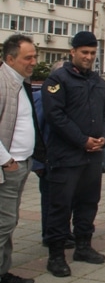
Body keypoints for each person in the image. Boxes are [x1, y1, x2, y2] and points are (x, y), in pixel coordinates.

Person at [41, 31, 105, 277]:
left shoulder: (98, 82)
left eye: (92, 53)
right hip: (66, 157)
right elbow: (55, 117)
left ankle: (83, 246)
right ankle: (56, 256)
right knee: (60, 207)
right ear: (73, 52)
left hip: (93, 157)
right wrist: (82, 141)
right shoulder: (57, 80)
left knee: (88, 203)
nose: (89, 57)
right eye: (84, 52)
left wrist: (104, 137)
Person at [0, 34, 45, 283]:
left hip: (21, 163)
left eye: (35, 56)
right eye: (28, 57)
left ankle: (3, 272)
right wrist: (7, 161)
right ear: (10, 58)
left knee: (9, 221)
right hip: (8, 167)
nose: (34, 62)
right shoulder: (2, 82)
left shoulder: (19, 82)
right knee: (4, 223)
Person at [32, 61, 75, 249]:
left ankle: (63, 232)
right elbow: (37, 131)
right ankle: (49, 235)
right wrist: (38, 163)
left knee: (64, 200)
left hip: (65, 158)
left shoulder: (66, 96)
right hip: (49, 159)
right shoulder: (43, 97)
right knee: (51, 200)